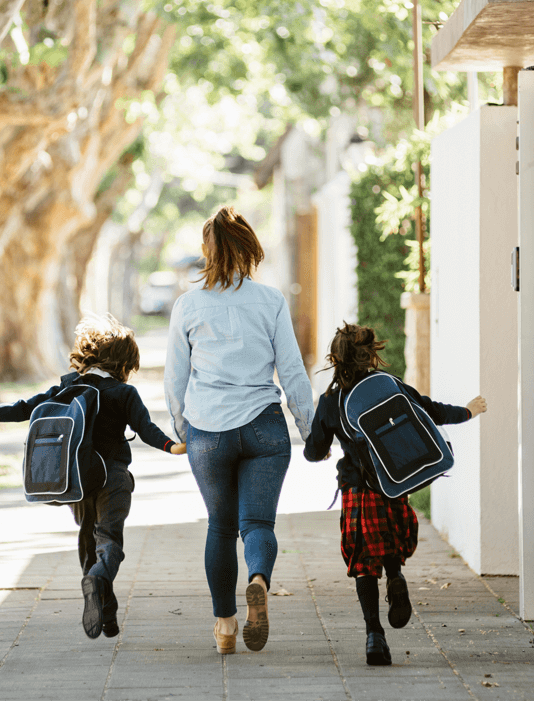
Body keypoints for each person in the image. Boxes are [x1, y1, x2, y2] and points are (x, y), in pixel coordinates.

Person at [0, 316, 186, 640]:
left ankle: (108, 615)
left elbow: (22, 408)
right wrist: (173, 447)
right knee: (110, 542)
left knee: (89, 545)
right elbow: (147, 430)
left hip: (77, 481)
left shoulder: (67, 386)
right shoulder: (123, 392)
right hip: (113, 479)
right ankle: (99, 581)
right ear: (124, 362)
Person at [165, 205, 315, 655]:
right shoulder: (270, 301)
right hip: (264, 427)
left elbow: (175, 378)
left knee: (220, 526)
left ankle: (226, 627)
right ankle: (258, 580)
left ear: (207, 251)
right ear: (249, 248)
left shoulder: (188, 305)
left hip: (208, 429)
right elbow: (292, 371)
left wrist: (182, 429)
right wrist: (310, 432)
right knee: (257, 524)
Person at [302, 323, 487, 666]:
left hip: (357, 487)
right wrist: (468, 411)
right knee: (389, 540)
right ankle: (397, 576)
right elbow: (429, 409)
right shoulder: (388, 386)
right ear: (371, 355)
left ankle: (374, 636)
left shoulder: (330, 401)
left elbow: (314, 450)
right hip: (391, 483)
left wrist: (322, 451)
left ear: (335, 358)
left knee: (362, 560)